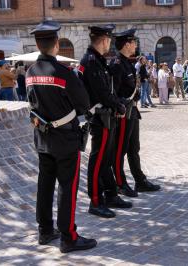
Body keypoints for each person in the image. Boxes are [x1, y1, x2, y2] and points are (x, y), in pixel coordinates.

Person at [26, 20, 96, 253]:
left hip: (42, 138)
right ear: (56, 44)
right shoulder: (64, 73)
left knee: (45, 184)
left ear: (37, 44)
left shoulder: (30, 72)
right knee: (67, 186)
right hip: (65, 139)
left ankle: (45, 230)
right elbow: (84, 103)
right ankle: (69, 236)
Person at [79, 24, 132, 219]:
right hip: (100, 117)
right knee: (98, 160)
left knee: (106, 159)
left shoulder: (98, 60)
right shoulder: (91, 61)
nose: (110, 43)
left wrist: (117, 104)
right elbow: (101, 92)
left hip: (107, 116)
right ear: (103, 40)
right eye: (109, 39)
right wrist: (118, 105)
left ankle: (110, 194)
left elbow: (107, 90)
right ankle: (95, 200)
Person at [111, 29, 161, 198]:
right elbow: (114, 93)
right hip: (124, 114)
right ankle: (120, 183)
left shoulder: (127, 62)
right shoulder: (117, 64)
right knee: (121, 150)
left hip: (132, 111)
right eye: (133, 42)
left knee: (134, 148)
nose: (136, 45)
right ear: (126, 44)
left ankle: (140, 181)